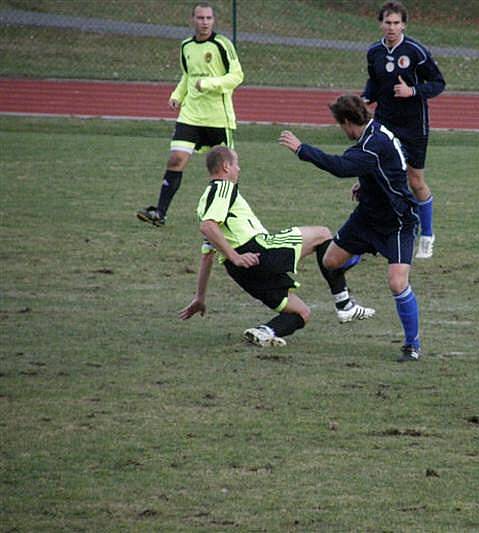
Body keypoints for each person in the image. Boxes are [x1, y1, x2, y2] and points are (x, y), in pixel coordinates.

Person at [179, 146, 375, 347]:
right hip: (258, 252)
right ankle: (344, 304)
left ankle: (265, 332)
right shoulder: (222, 187)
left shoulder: (204, 203)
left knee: (301, 313)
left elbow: (207, 255)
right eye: (237, 164)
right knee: (322, 234)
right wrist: (236, 255)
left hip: (241, 271)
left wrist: (200, 297)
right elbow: (208, 226)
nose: (239, 169)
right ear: (226, 167)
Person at [278, 95, 422, 362]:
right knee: (331, 261)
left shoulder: (370, 144)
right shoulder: (375, 131)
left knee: (397, 282)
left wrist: (302, 149)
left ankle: (412, 345)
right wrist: (368, 184)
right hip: (367, 216)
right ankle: (353, 267)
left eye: (339, 125)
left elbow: (341, 167)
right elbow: (387, 166)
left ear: (347, 122)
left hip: (397, 221)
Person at [137, 2, 243, 227]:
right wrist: (177, 94)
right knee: (176, 159)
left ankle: (231, 215)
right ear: (193, 20)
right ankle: (160, 213)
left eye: (208, 18)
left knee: (226, 167)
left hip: (218, 117)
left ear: (213, 21)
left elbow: (237, 76)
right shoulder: (186, 46)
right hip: (191, 115)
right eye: (200, 18)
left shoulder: (222, 44)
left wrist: (210, 83)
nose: (204, 22)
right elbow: (187, 76)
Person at [362, 1, 445, 259]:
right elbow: (374, 83)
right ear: (380, 24)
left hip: (413, 126)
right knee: (381, 179)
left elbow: (438, 83)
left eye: (397, 23)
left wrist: (413, 91)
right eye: (388, 22)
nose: (392, 27)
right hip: (385, 123)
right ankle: (380, 236)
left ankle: (427, 235)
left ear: (404, 25)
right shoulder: (374, 52)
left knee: (415, 180)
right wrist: (365, 99)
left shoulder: (415, 51)